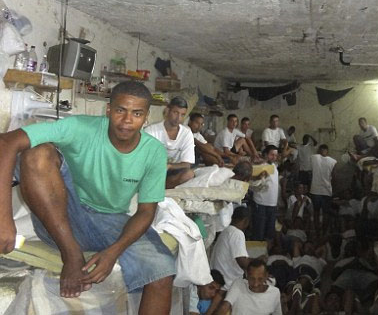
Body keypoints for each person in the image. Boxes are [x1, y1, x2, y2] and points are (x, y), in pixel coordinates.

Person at [0, 81, 175, 313]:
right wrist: (4, 220)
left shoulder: (153, 152)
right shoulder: (80, 127)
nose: (127, 120)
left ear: (146, 117)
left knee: (162, 273)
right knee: (37, 153)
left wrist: (113, 252)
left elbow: (146, 212)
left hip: (112, 222)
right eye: (121, 110)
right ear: (108, 110)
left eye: (137, 113)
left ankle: (79, 252)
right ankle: (71, 254)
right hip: (62, 217)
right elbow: (6, 142)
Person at [145, 96, 196, 188]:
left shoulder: (186, 133)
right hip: (154, 170)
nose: (178, 118)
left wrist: (169, 166)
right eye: (175, 112)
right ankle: (155, 185)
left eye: (182, 114)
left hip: (173, 171)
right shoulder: (151, 131)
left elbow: (187, 164)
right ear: (167, 111)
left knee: (189, 174)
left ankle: (160, 186)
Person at [215, 259, 283, 315]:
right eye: (252, 279)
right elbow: (224, 307)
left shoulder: (274, 293)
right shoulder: (239, 284)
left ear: (266, 276)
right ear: (247, 275)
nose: (255, 284)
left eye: (260, 279)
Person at [209, 206, 251, 289]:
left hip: (219, 278)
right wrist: (259, 261)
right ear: (246, 221)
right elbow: (242, 262)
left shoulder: (226, 231)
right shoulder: (237, 233)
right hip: (228, 283)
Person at [252, 145, 280, 241]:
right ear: (265, 154)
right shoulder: (259, 167)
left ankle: (267, 248)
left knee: (269, 232)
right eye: (272, 155)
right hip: (261, 203)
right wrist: (259, 177)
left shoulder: (274, 166)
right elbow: (253, 184)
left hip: (272, 204)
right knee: (259, 231)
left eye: (275, 155)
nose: (274, 157)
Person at [310, 144, 337, 234]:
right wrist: (333, 190)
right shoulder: (333, 161)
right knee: (326, 213)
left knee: (316, 212)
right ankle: (324, 232)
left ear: (319, 150)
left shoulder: (314, 157)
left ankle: (317, 232)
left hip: (315, 190)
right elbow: (334, 177)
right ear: (327, 151)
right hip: (327, 191)